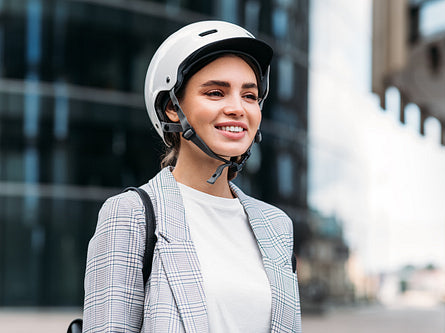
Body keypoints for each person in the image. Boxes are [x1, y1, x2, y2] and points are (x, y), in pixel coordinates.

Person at [83, 20, 301, 332]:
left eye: (250, 96)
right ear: (173, 107)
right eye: (216, 92)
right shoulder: (131, 215)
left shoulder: (277, 225)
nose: (238, 108)